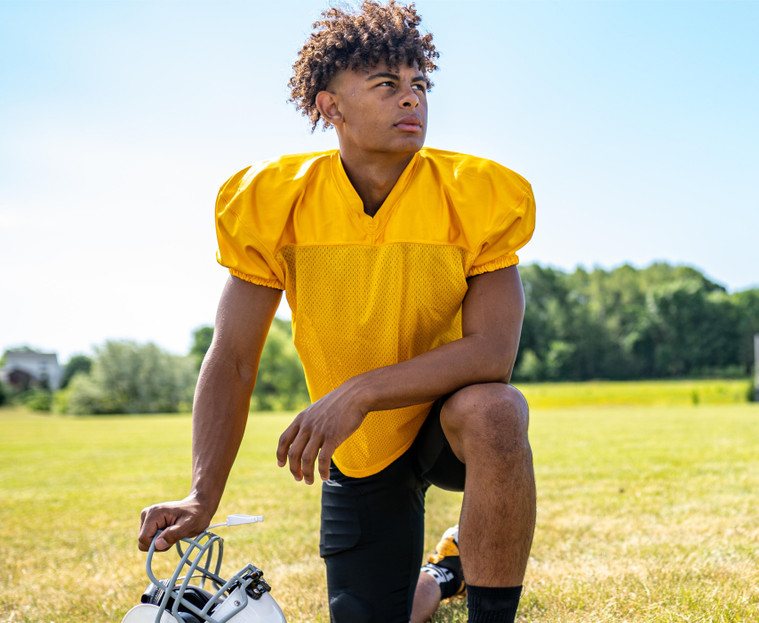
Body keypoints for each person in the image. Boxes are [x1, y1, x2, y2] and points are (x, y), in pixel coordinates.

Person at [136, 2, 536, 622]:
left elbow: (492, 354)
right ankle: (444, 570)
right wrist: (200, 496)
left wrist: (359, 391)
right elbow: (235, 358)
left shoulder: (477, 193)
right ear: (330, 106)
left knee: (497, 409)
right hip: (359, 447)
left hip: (446, 421)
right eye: (387, 85)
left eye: (419, 85)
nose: (412, 100)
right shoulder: (275, 200)